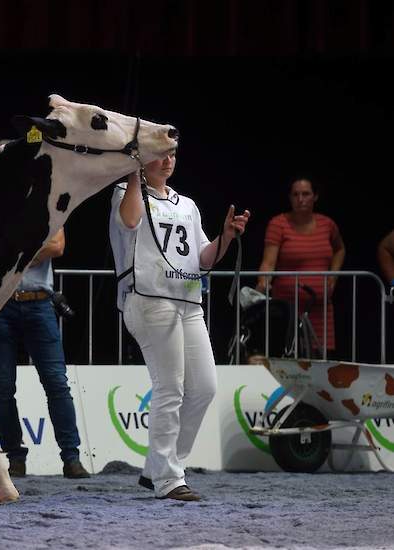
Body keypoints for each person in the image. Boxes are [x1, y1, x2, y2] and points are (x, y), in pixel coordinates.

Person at [109, 150, 249, 501]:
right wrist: (131, 176)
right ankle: (169, 478)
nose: (168, 160)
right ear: (142, 161)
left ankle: (160, 466)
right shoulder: (126, 194)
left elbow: (203, 258)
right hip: (149, 300)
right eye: (159, 155)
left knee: (204, 386)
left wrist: (227, 237)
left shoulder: (186, 204)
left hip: (188, 302)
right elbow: (128, 223)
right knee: (170, 387)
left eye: (172, 154)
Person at [0, 228, 90, 479]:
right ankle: (15, 457)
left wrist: (15, 257)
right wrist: (32, 250)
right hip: (0, 304)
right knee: (2, 386)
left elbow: (57, 245)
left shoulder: (45, 202)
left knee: (56, 382)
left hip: (39, 302)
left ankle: (71, 457)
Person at [256, 178, 344, 356]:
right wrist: (262, 283)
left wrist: (334, 276)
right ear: (289, 198)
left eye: (306, 194)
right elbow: (269, 261)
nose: (300, 199)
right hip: (288, 307)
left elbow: (340, 249)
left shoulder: (328, 225)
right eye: (295, 194)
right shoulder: (279, 224)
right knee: (289, 356)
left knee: (321, 362)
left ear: (315, 196)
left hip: (320, 308)